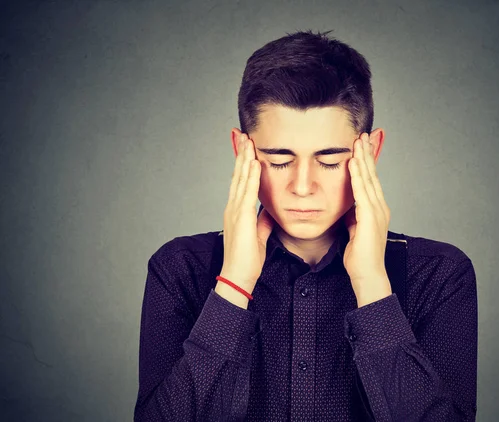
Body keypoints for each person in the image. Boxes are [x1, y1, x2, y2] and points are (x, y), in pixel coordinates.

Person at [134, 29, 477, 421]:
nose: (302, 187)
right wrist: (233, 286)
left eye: (329, 160)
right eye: (280, 159)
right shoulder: (180, 269)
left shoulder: (438, 275)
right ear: (241, 150)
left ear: (372, 150)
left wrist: (373, 289)